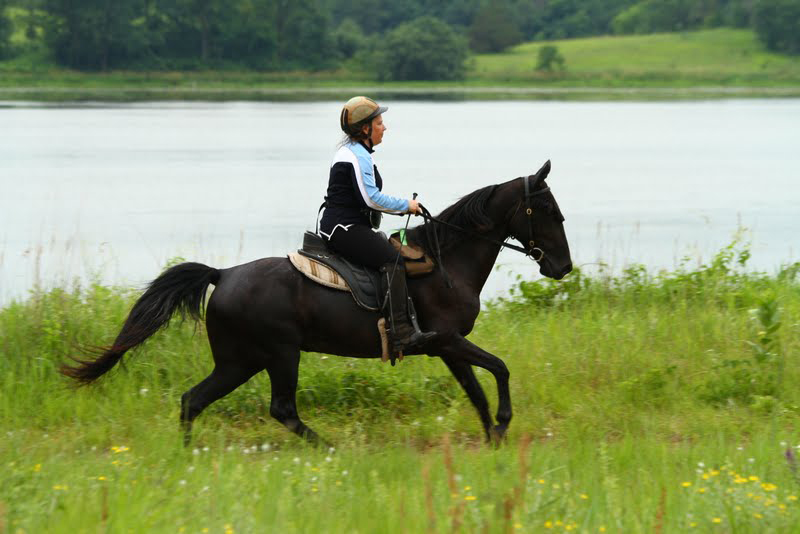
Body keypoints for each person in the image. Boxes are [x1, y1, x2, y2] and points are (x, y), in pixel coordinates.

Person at [319, 96, 436, 353]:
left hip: (347, 226)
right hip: (344, 229)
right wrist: (406, 205)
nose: (385, 127)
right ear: (365, 129)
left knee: (392, 246)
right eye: (380, 123)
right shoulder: (356, 156)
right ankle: (401, 332)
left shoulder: (356, 152)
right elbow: (371, 198)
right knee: (394, 260)